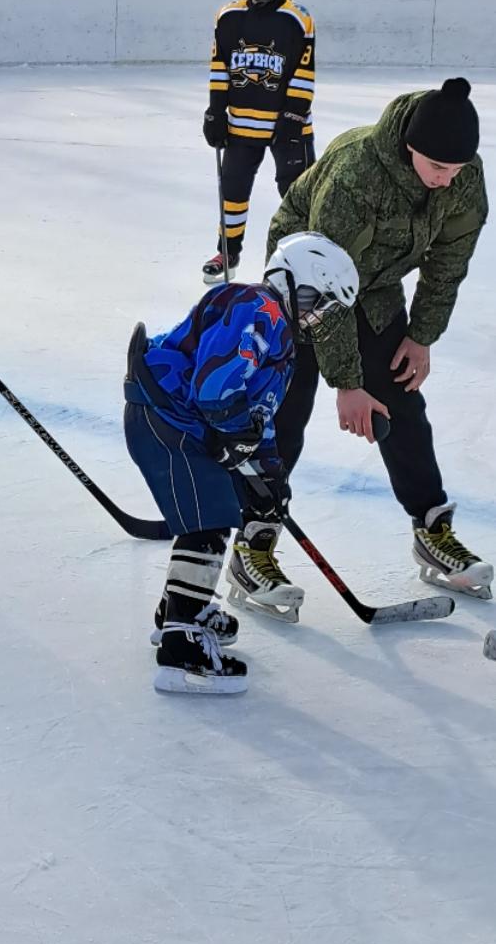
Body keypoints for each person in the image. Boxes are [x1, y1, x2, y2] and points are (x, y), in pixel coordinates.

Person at [228, 77, 492, 619]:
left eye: (456, 171)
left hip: (374, 285)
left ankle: (430, 526)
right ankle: (253, 544)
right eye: (438, 169)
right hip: (304, 283)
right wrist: (347, 384)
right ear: (411, 148)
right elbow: (324, 288)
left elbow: (447, 264)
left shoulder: (461, 178)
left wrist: (420, 335)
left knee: (401, 398)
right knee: (286, 414)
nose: (446, 182)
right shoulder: (357, 172)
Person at [124, 233, 359, 694]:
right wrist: (236, 435)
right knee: (208, 523)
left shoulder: (281, 338)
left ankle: (180, 608)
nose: (318, 315)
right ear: (293, 283)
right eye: (318, 300)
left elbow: (257, 412)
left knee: (221, 513)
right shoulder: (257, 307)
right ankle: (182, 647)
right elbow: (215, 389)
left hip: (181, 421)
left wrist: (271, 478)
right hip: (167, 417)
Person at [202, 0, 316, 284]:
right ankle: (228, 250)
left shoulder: (297, 17)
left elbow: (304, 72)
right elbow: (220, 66)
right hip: (241, 124)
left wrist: (294, 117)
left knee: (298, 192)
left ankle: (306, 254)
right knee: (233, 190)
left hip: (287, 125)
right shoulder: (227, 17)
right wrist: (215, 111)